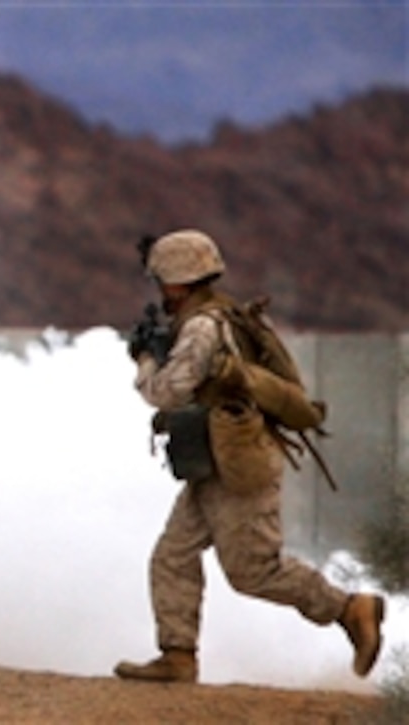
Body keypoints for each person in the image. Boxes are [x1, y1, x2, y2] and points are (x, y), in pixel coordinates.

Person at [115, 229, 385, 683]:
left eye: (163, 281)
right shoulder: (224, 316)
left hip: (239, 465)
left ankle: (349, 608)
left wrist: (144, 359)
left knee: (253, 570)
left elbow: (164, 392)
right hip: (217, 461)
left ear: (178, 282)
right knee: (173, 556)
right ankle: (178, 655)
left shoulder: (203, 328)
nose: (160, 291)